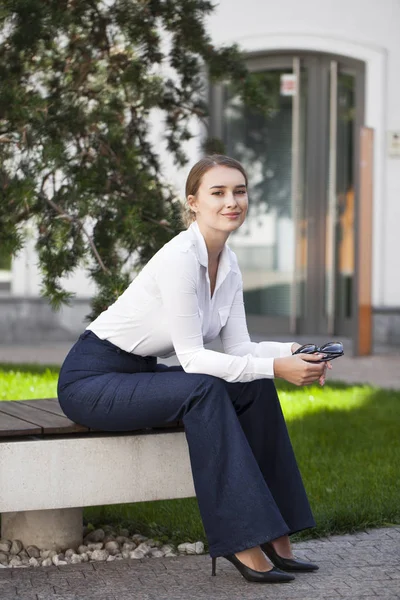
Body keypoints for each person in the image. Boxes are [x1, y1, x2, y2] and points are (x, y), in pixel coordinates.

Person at [57, 154, 331, 584]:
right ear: (193, 203)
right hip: (92, 381)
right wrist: (278, 366)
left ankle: (277, 535)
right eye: (218, 193)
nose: (231, 201)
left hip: (138, 375)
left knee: (254, 386)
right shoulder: (180, 259)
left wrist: (293, 350)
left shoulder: (230, 262)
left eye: (239, 191)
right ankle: (242, 540)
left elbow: (239, 346)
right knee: (205, 388)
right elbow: (193, 359)